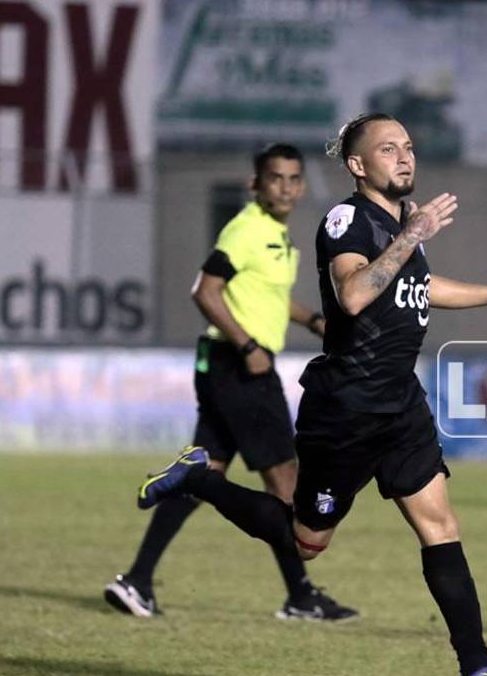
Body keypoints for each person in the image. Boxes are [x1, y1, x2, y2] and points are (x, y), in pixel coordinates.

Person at [134, 113, 487, 676]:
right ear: (359, 166)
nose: (405, 157)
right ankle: (201, 478)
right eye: (388, 149)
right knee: (307, 541)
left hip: (399, 403)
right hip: (347, 407)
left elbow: (420, 288)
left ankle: (478, 665)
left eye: (408, 147)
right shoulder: (349, 219)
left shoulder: (396, 226)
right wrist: (412, 235)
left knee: (439, 524)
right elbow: (355, 292)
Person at [105, 143, 357, 623]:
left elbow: (267, 296)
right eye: (274, 178)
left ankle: (136, 582)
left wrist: (312, 321)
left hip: (229, 366)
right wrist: (247, 345)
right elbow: (206, 290)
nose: (284, 187)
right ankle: (301, 595)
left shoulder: (279, 239)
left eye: (292, 179)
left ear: (301, 186)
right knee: (287, 482)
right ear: (254, 185)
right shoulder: (247, 230)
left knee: (202, 475)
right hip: (239, 366)